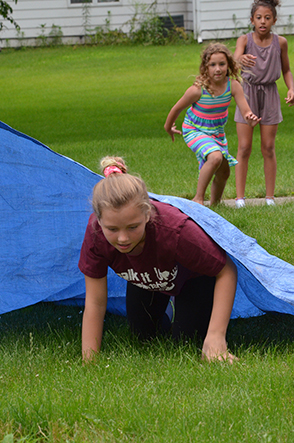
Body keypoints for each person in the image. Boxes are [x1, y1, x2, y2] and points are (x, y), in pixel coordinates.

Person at [79, 156, 238, 363]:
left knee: (187, 342)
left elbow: (226, 270)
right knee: (143, 337)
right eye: (112, 229)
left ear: (147, 213)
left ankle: (184, 311)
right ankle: (169, 310)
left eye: (133, 227)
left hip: (193, 279)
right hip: (146, 279)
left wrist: (216, 337)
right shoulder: (95, 235)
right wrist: (89, 361)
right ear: (99, 220)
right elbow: (95, 301)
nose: (123, 238)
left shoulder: (177, 231)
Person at [164, 42, 260, 206]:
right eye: (213, 65)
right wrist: (169, 127)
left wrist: (250, 118)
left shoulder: (233, 86)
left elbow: (245, 111)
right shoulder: (198, 90)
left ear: (228, 65)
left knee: (224, 171)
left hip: (216, 133)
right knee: (215, 157)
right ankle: (198, 199)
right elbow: (176, 109)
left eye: (222, 64)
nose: (218, 69)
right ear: (205, 68)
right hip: (194, 130)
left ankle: (215, 205)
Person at [234, 0, 294, 208]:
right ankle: (240, 198)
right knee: (244, 147)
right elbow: (233, 62)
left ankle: (270, 197)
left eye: (267, 18)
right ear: (252, 20)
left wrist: (291, 88)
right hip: (247, 95)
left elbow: (286, 70)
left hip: (270, 94)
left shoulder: (281, 43)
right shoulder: (244, 40)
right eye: (259, 17)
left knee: (268, 147)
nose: (263, 21)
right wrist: (240, 59)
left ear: (274, 21)